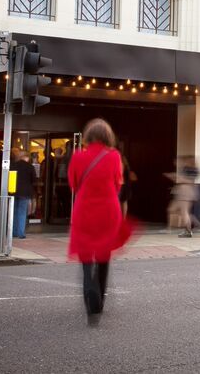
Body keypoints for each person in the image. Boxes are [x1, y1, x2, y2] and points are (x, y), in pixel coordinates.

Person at [68, 118, 133, 326]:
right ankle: (100, 302)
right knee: (103, 258)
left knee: (86, 259)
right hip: (108, 210)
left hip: (84, 210)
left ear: (88, 136)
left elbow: (73, 183)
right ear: (108, 136)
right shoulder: (114, 156)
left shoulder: (78, 157)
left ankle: (90, 294)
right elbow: (118, 182)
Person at [165, 157, 199, 237]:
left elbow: (189, 181)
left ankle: (188, 231)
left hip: (185, 192)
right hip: (184, 192)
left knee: (184, 212)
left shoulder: (191, 170)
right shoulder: (186, 169)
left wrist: (177, 178)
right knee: (174, 209)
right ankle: (189, 227)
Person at [10, 148, 36, 239]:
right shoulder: (30, 167)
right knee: (22, 212)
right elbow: (34, 180)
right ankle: (21, 233)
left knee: (13, 212)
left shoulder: (13, 165)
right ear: (26, 157)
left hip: (13, 191)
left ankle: (13, 232)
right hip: (25, 193)